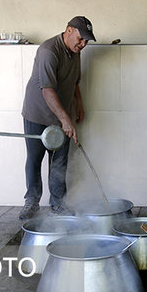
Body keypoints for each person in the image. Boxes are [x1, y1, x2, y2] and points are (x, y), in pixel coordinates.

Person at [19, 16, 95, 220]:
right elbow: (47, 90)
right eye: (80, 39)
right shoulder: (48, 51)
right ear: (68, 30)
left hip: (62, 114)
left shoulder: (75, 51)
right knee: (35, 159)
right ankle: (31, 202)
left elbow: (75, 81)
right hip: (37, 114)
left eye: (86, 41)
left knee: (60, 161)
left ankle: (58, 204)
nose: (83, 44)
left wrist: (78, 105)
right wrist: (65, 120)